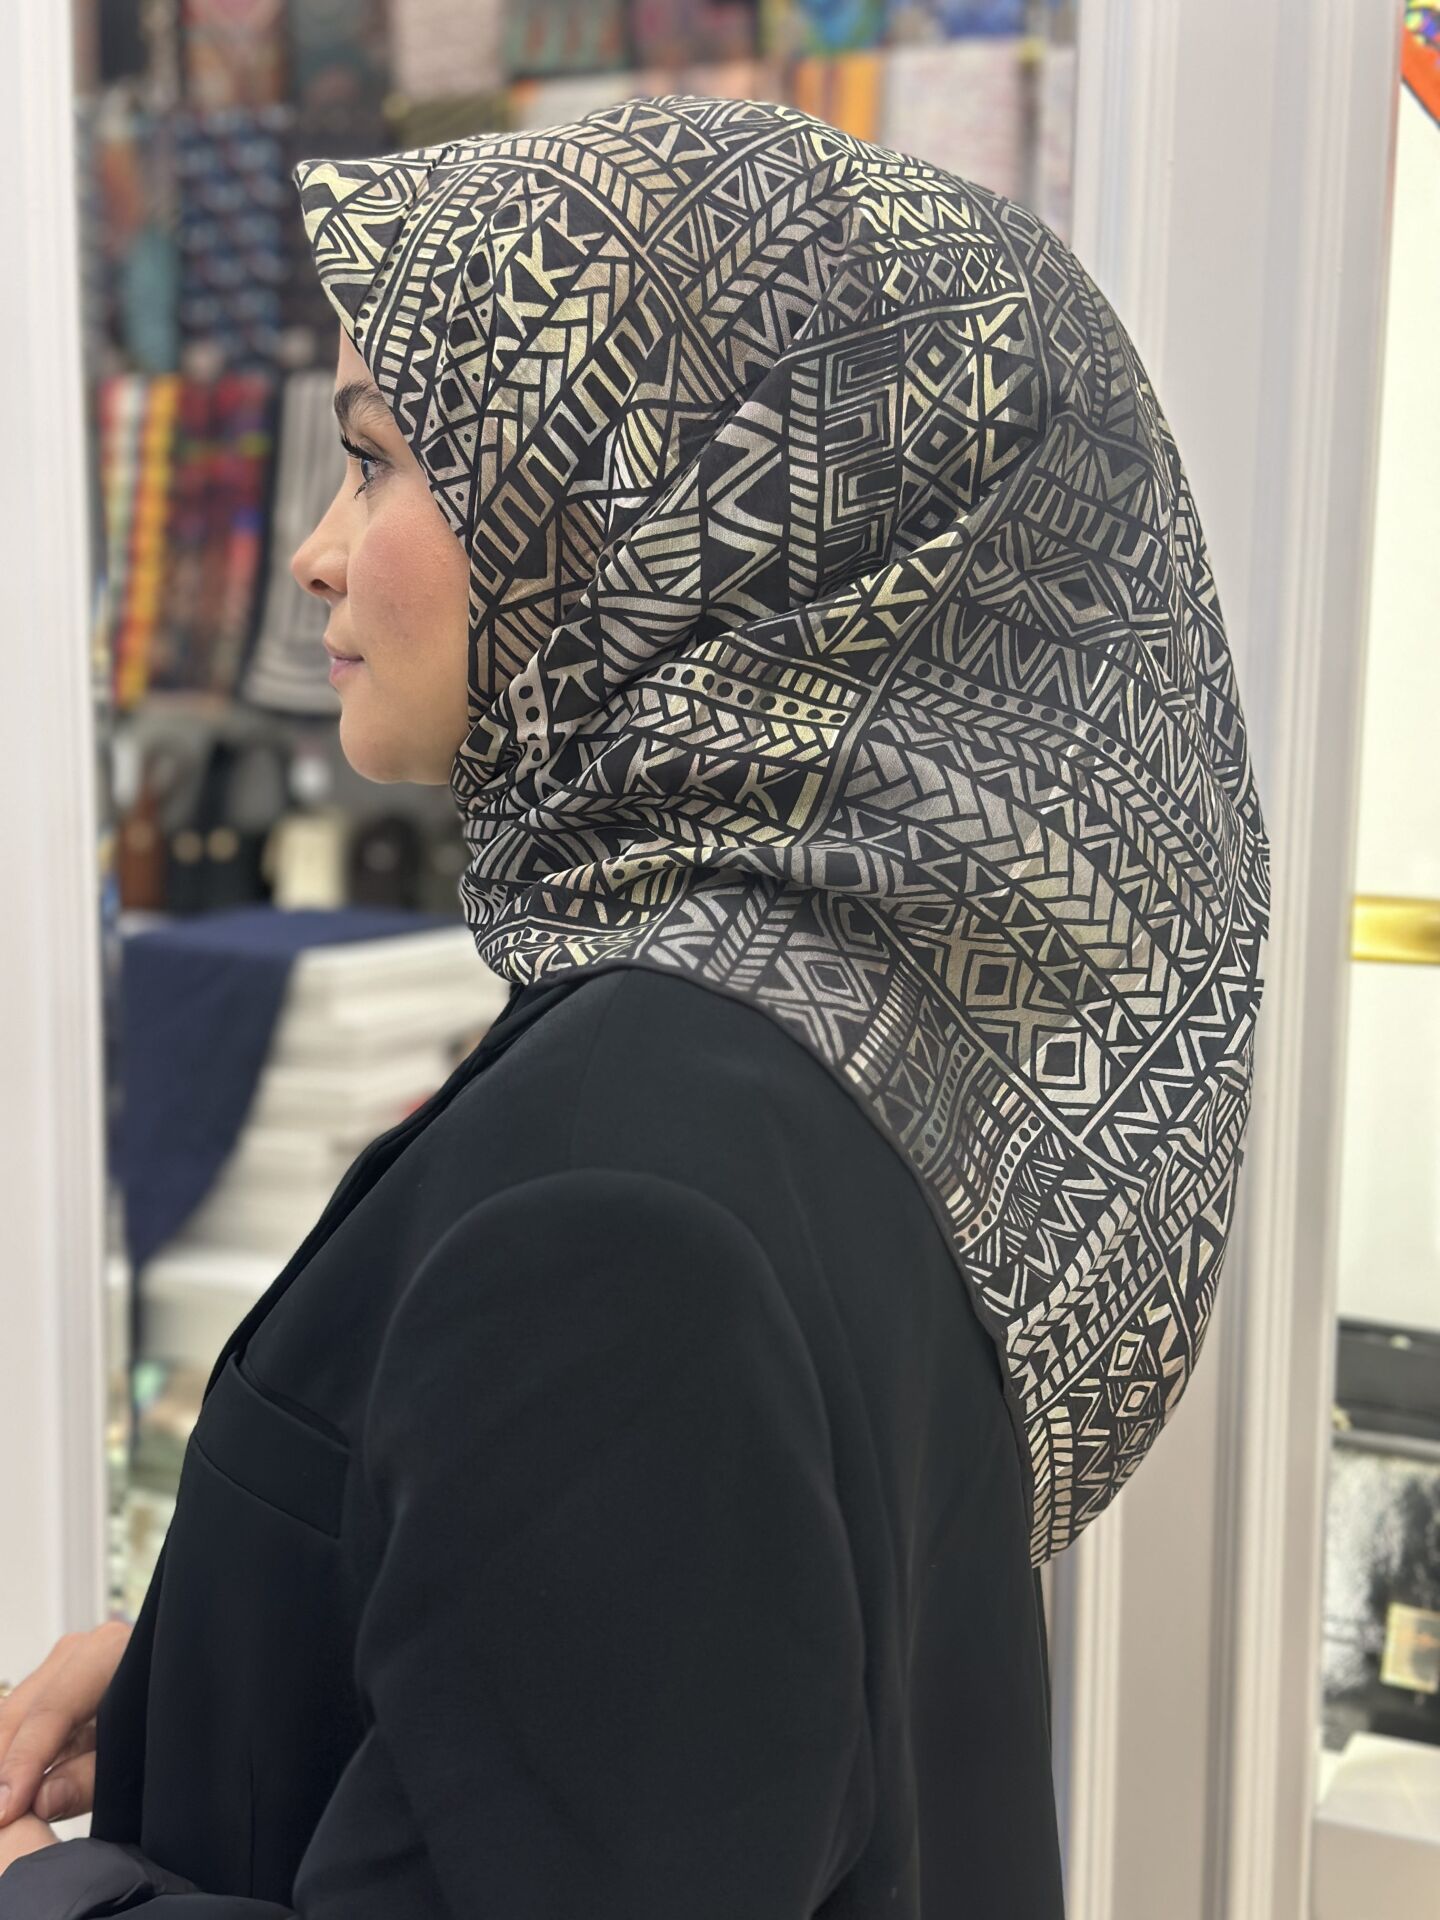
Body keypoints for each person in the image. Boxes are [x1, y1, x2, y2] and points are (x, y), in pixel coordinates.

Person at [0, 92, 1269, 1917]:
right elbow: (664, 1726)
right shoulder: (855, 1049)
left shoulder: (623, 1200)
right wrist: (227, 1672)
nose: (317, 553)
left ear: (635, 522)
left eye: (374, 460)